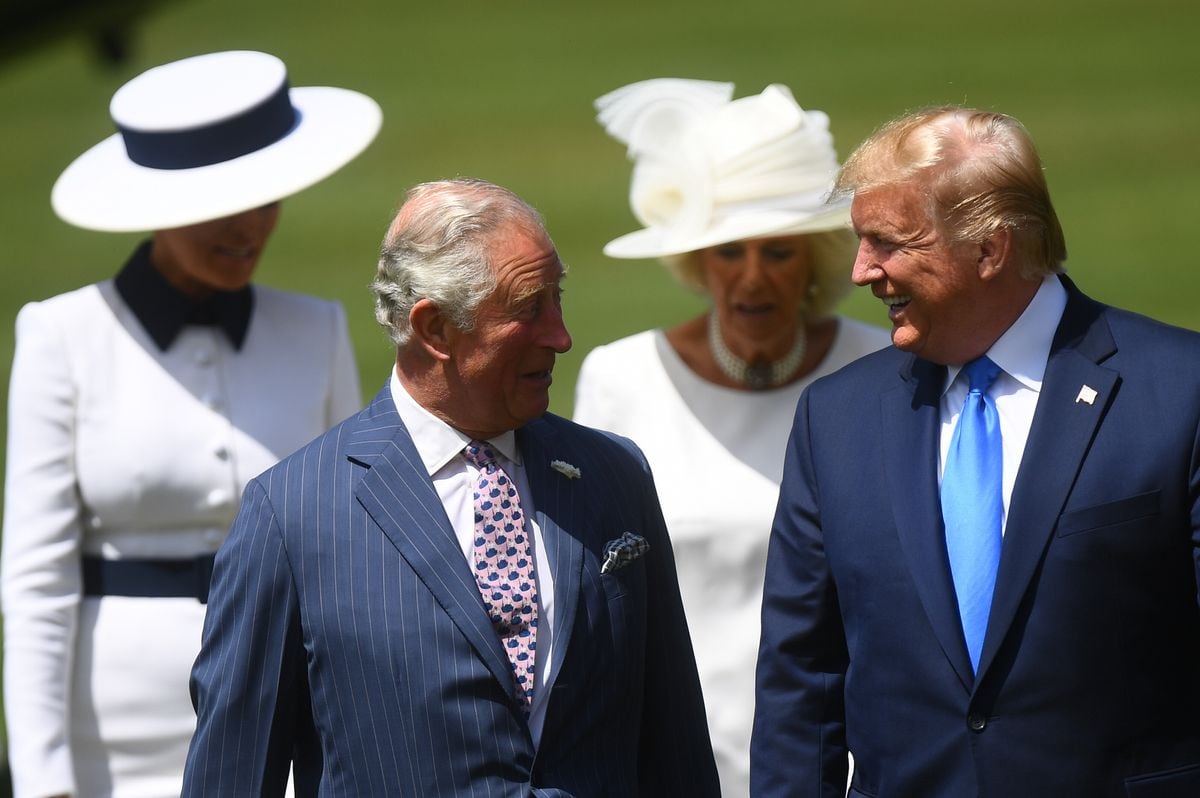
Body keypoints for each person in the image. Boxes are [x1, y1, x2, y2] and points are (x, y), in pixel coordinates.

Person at [180, 177, 721, 797]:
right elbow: (232, 777)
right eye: (528, 309)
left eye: (558, 299)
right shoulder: (293, 512)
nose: (561, 336)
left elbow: (675, 747)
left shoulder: (614, 475)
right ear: (434, 328)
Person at [751, 105, 1200, 797]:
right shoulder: (836, 419)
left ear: (988, 251)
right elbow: (799, 688)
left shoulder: (1178, 392)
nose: (863, 270)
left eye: (887, 242)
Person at [1, 50, 380, 798]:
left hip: (289, 716)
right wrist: (44, 778)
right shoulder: (62, 336)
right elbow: (36, 578)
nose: (252, 227)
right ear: (157, 205)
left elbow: (352, 553)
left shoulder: (318, 328)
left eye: (266, 198)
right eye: (224, 206)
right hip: (113, 745)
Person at [573, 78, 888, 794]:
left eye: (777, 252)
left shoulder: (882, 369)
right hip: (674, 756)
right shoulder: (622, 377)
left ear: (815, 258)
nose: (753, 279)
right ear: (696, 262)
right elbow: (593, 598)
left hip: (844, 758)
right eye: (728, 252)